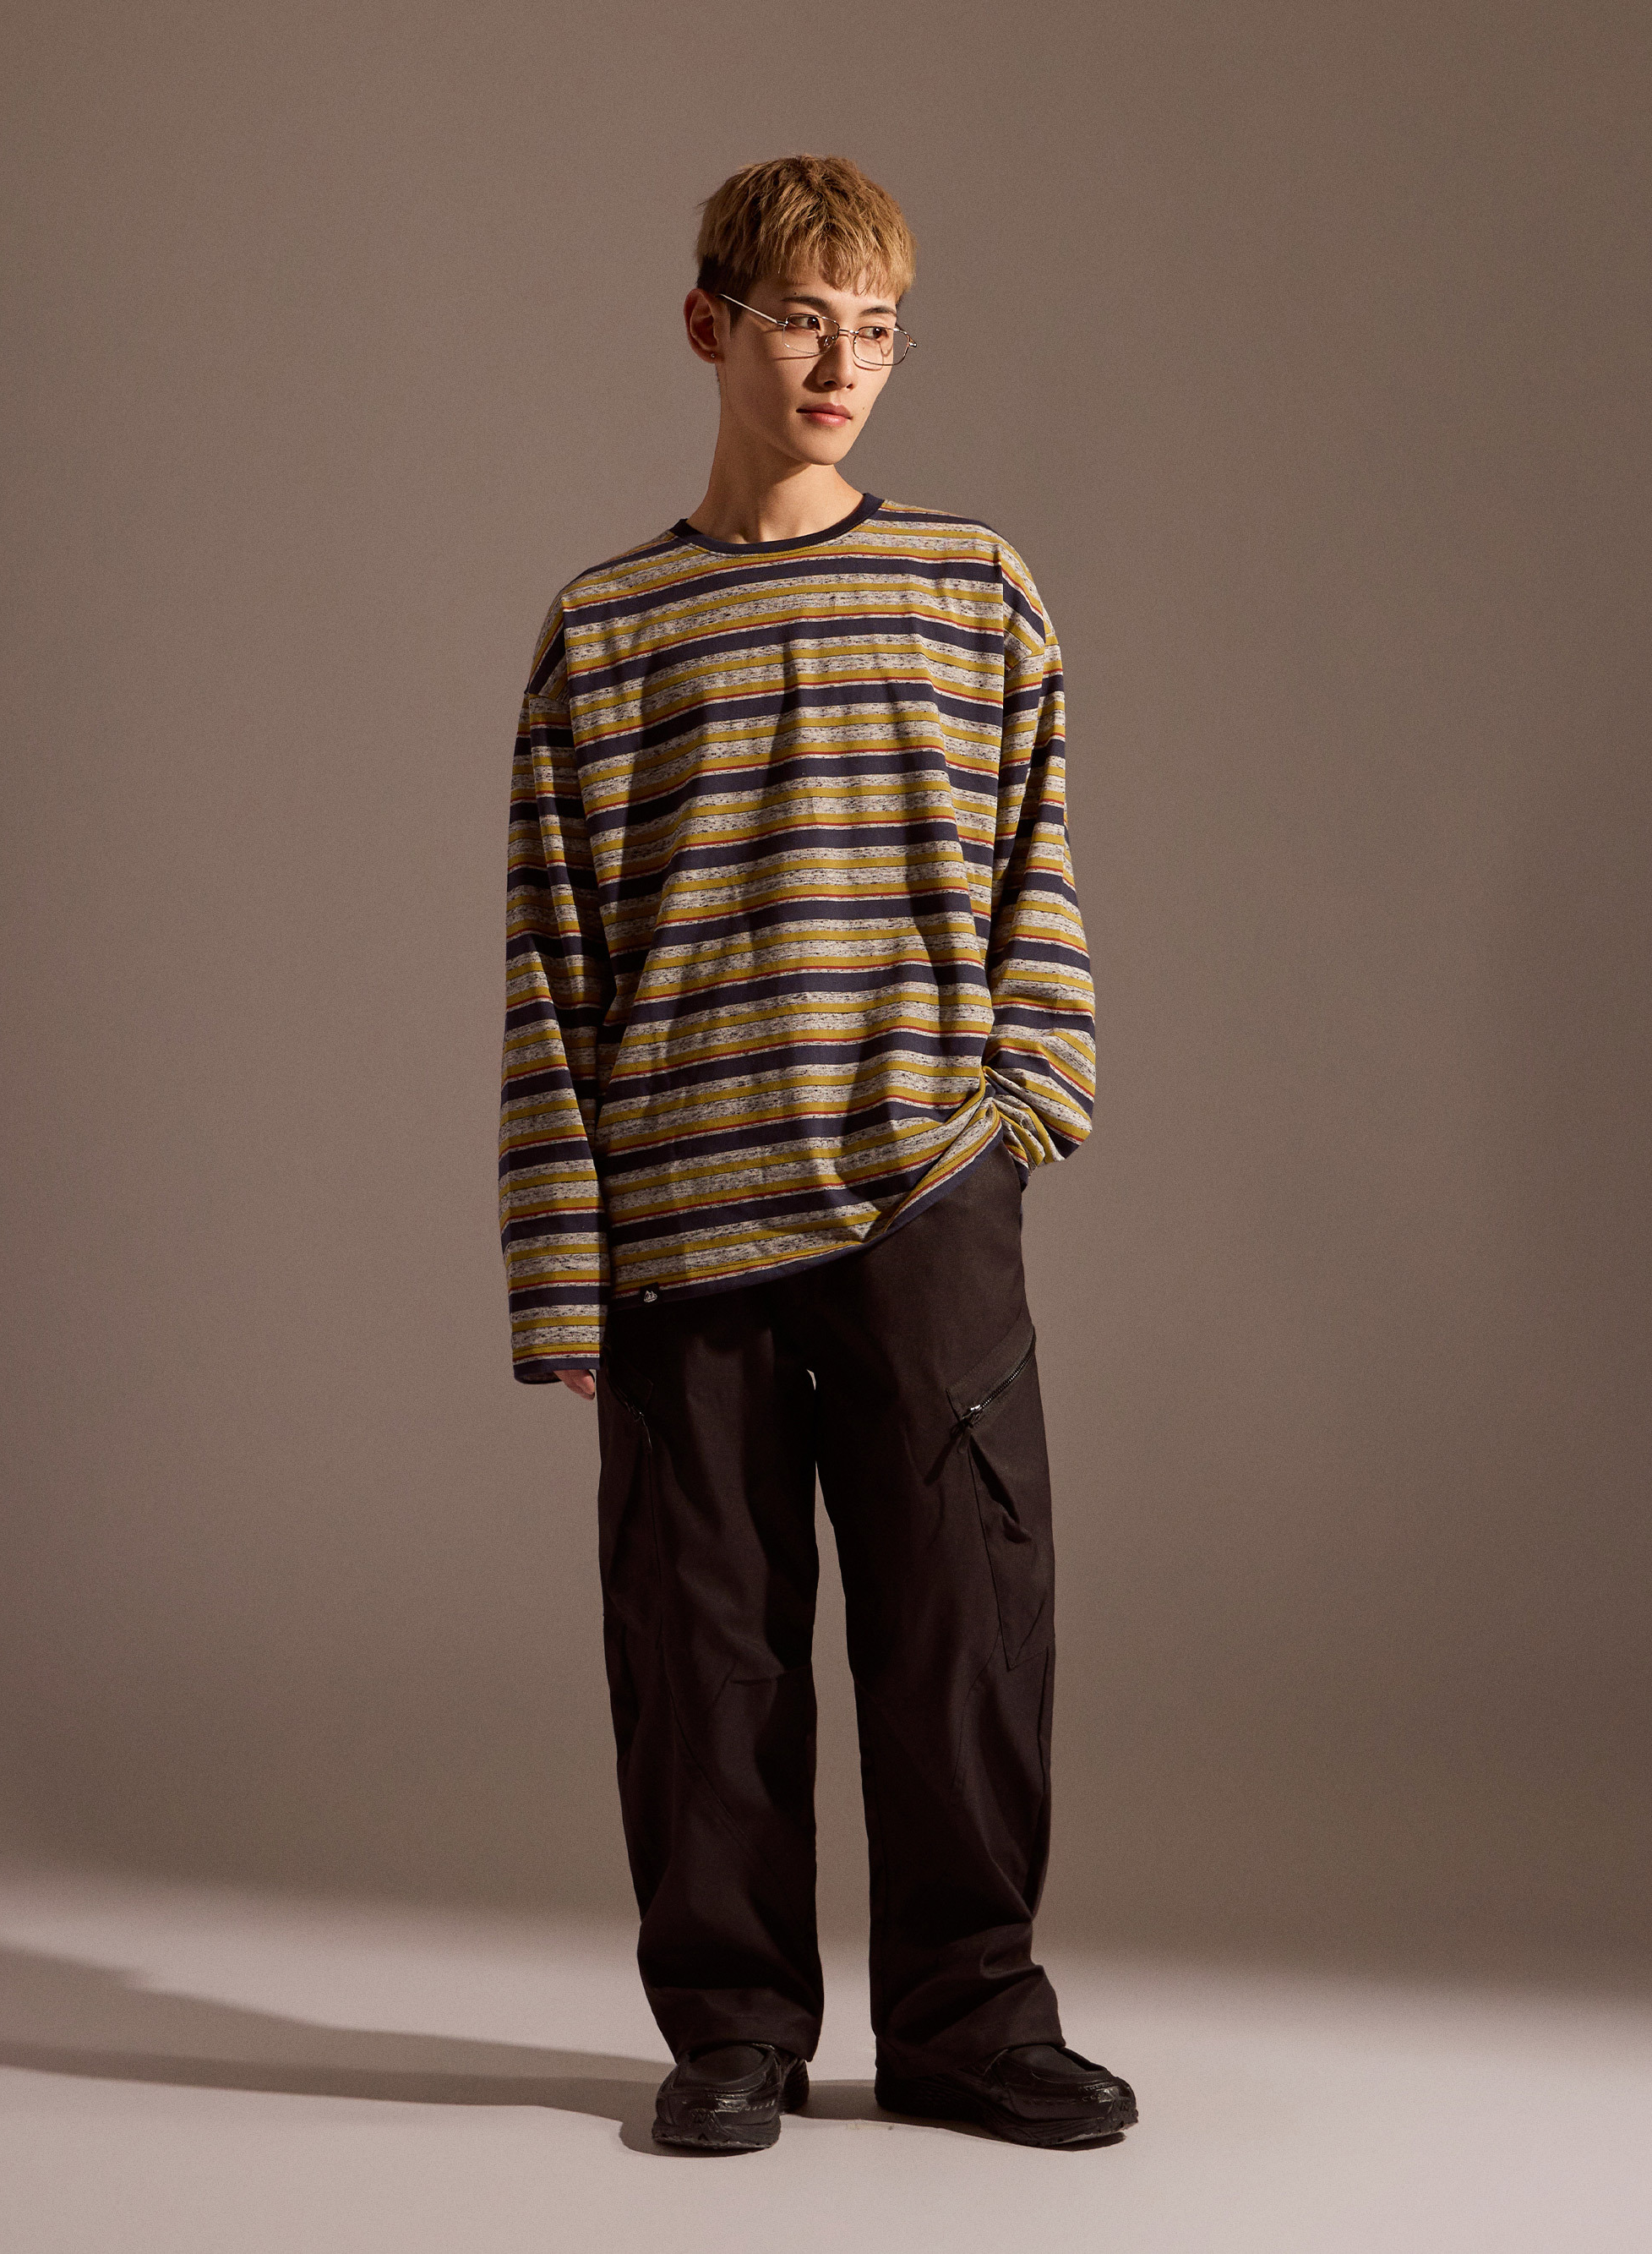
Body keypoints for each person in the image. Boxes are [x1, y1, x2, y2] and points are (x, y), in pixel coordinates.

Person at [499, 153, 1137, 2154]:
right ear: (709, 324)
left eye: (873, 330)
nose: (839, 364)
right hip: (678, 1220)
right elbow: (551, 969)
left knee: (965, 1625)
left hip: (922, 1193)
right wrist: (559, 1269)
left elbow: (1035, 870)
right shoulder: (606, 629)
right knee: (701, 1645)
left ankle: (968, 2016)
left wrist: (1018, 1111)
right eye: (799, 319)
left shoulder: (973, 587)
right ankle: (732, 2028)